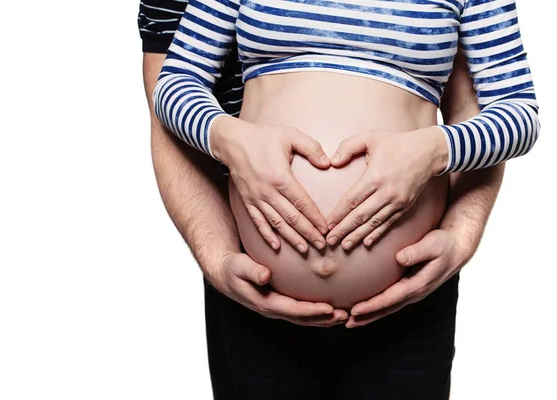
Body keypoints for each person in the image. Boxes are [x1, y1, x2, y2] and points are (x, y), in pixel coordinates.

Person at [138, 1, 533, 398]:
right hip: (257, 298)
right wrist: (228, 136)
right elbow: (174, 83)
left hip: (410, 299)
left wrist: (435, 149)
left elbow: (519, 112)